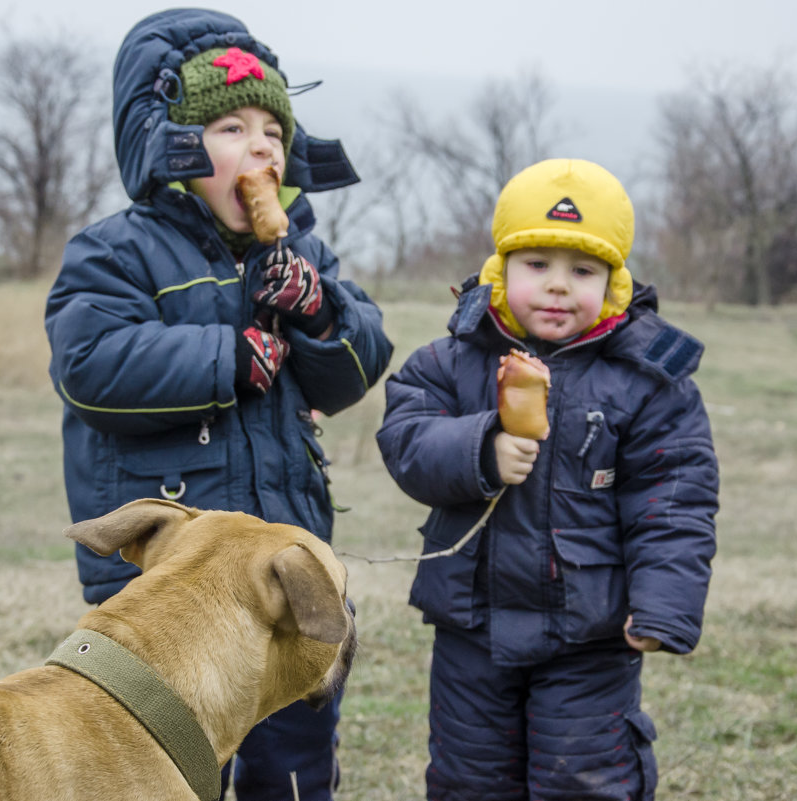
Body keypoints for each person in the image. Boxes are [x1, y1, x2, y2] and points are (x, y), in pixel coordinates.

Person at [44, 9, 393, 800]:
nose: (261, 146)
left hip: (282, 571)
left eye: (274, 129)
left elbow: (359, 361)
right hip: (169, 577)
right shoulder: (117, 249)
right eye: (232, 126)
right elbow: (89, 366)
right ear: (170, 147)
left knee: (293, 756)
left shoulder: (303, 252)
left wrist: (317, 312)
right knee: (158, 758)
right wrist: (228, 357)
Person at [375, 158, 718, 800]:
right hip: (471, 629)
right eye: (538, 266)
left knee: (584, 781)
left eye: (582, 271)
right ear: (500, 269)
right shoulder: (450, 360)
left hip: (589, 637)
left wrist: (665, 606)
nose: (558, 288)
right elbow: (405, 439)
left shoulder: (648, 382)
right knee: (469, 781)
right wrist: (481, 448)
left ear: (614, 282)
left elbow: (674, 500)